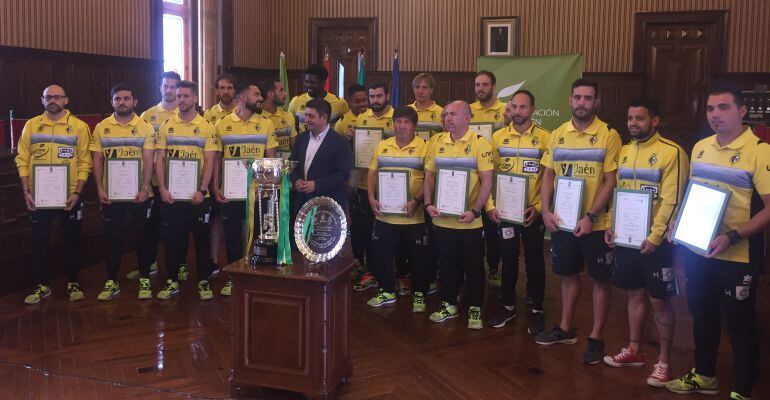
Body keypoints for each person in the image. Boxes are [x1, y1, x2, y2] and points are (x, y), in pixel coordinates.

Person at [664, 86, 770, 400]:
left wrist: (733, 236)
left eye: (723, 108)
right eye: (710, 108)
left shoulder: (760, 150)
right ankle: (705, 375)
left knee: (740, 325)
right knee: (702, 314)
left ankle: (742, 389)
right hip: (699, 251)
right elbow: (692, 195)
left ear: (742, 111)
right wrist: (677, 222)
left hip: (738, 255)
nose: (715, 114)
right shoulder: (700, 147)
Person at [602, 97, 689, 387]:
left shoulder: (672, 152)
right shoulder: (625, 152)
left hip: (658, 242)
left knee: (659, 300)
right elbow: (618, 193)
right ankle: (635, 350)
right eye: (630, 118)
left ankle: (664, 361)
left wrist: (654, 237)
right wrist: (610, 225)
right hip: (627, 238)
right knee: (634, 294)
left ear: (655, 120)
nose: (633, 124)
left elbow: (672, 199)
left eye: (639, 118)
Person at [535, 79, 621, 366]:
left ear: (596, 102)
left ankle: (596, 338)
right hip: (563, 221)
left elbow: (611, 181)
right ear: (569, 100)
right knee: (567, 274)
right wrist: (545, 210)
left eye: (588, 98)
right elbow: (548, 174)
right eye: (577, 97)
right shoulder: (558, 134)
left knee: (599, 279)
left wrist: (592, 216)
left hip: (594, 225)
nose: (582, 103)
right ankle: (565, 329)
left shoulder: (609, 134)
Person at [15, 84, 92, 304]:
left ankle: (74, 282)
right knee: (39, 241)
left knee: (73, 240)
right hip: (38, 197)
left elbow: (85, 161)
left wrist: (78, 192)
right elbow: (22, 159)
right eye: (48, 97)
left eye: (57, 97)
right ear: (42, 100)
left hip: (70, 196)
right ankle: (42, 285)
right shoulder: (32, 126)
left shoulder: (79, 126)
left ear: (66, 100)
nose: (53, 100)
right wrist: (26, 190)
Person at [423, 101, 494, 330]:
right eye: (445, 115)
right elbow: (429, 177)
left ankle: (475, 306)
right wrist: (428, 203)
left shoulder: (480, 144)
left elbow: (487, 180)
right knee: (446, 264)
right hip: (442, 218)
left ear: (467, 118)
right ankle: (448, 303)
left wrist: (475, 210)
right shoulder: (437, 142)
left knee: (474, 266)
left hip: (470, 221)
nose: (447, 118)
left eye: (453, 114)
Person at [485, 90, 551, 336]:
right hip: (505, 212)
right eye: (515, 107)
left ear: (533, 110)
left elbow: (549, 178)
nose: (519, 112)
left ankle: (536, 310)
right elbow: (488, 175)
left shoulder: (546, 138)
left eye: (524, 107)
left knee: (534, 260)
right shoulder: (498, 137)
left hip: (532, 211)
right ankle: (508, 305)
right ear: (509, 109)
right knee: (508, 258)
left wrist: (541, 208)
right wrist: (490, 205)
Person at [90, 83, 157, 300]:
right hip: (112, 194)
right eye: (117, 98)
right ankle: (111, 281)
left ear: (135, 102)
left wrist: (146, 188)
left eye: (126, 98)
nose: (122, 102)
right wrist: (99, 188)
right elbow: (97, 160)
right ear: (112, 102)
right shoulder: (101, 127)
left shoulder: (145, 127)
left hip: (139, 194)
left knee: (143, 237)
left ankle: (145, 277)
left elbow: (149, 161)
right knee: (112, 238)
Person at [154, 80, 218, 300]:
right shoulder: (166, 126)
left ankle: (203, 281)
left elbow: (209, 161)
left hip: (199, 196)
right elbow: (160, 158)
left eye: (185, 96)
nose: (181, 99)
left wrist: (202, 189)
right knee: (172, 240)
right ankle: (171, 281)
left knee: (202, 240)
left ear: (195, 99)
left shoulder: (207, 127)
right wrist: (162, 188)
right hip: (173, 196)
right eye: (179, 96)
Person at [213, 83, 277, 296]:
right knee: (232, 236)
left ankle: (259, 277)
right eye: (256, 94)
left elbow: (271, 158)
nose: (261, 98)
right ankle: (234, 277)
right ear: (242, 97)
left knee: (260, 236)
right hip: (230, 192)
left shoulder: (266, 124)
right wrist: (215, 185)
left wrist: (267, 186)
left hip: (259, 191)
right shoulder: (222, 124)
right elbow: (216, 158)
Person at [365, 106, 430, 311]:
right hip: (385, 215)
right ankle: (386, 291)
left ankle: (419, 294)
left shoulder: (425, 147)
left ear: (414, 126)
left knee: (419, 258)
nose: (401, 126)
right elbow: (372, 173)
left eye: (406, 122)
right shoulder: (383, 145)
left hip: (414, 216)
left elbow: (430, 179)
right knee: (382, 254)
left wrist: (417, 201)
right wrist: (371, 197)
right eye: (398, 121)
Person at [129, 70, 182, 280]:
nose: (168, 90)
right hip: (151, 183)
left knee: (177, 229)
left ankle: (180, 266)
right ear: (160, 87)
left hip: (178, 183)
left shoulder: (187, 114)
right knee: (148, 228)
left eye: (173, 87)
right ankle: (148, 264)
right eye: (165, 86)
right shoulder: (147, 115)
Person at [351, 81, 394, 292]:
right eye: (372, 96)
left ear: (387, 95)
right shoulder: (362, 118)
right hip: (361, 182)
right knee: (362, 229)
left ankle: (382, 272)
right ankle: (364, 268)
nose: (375, 100)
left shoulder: (397, 119)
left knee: (383, 233)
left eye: (379, 95)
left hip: (388, 186)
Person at [470, 70, 507, 288]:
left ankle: (493, 268)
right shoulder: (467, 110)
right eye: (477, 85)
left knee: (493, 228)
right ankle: (471, 268)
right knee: (473, 228)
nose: (480, 89)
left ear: (493, 86)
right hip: (470, 179)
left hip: (496, 179)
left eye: (484, 84)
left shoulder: (505, 111)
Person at [289, 98, 353, 212]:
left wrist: (316, 185)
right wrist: (296, 180)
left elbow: (343, 174)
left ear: (324, 117)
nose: (306, 119)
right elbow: (291, 165)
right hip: (302, 203)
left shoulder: (340, 142)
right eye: (306, 115)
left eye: (311, 116)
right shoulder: (301, 138)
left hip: (327, 206)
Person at [287, 64, 349, 132]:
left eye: (312, 82)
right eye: (306, 82)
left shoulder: (340, 103)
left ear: (323, 82)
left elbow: (346, 126)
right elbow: (290, 127)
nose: (308, 85)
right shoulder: (296, 101)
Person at [259, 78, 296, 159]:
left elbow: (295, 148)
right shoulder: (256, 117)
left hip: (285, 166)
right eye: (281, 90)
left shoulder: (288, 116)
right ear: (271, 94)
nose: (285, 94)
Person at [408, 73, 444, 141]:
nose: (420, 91)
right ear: (413, 89)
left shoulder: (441, 112)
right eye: (417, 87)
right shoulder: (406, 111)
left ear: (431, 90)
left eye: (424, 87)